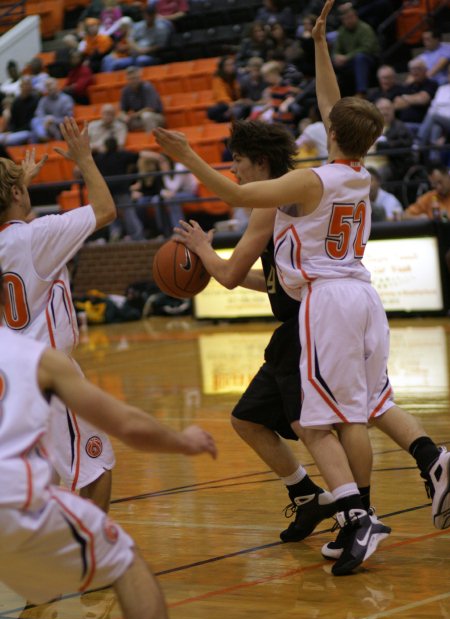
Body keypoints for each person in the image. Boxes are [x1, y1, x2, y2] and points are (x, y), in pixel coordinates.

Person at [154, 0, 450, 573]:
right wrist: (319, 46)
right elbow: (334, 105)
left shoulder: (311, 180)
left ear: (332, 133)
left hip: (327, 301)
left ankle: (358, 516)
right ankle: (416, 471)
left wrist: (189, 156)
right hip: (362, 294)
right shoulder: (360, 175)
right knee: (362, 408)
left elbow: (238, 197)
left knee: (319, 422)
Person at [0, 264, 217, 619]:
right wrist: (183, 441)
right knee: (126, 562)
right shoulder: (38, 358)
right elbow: (130, 425)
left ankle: (41, 603)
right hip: (15, 499)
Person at [172, 119, 336, 543]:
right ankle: (307, 496)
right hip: (297, 328)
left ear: (260, 163)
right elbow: (255, 278)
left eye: (238, 161)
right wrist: (214, 264)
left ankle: (356, 507)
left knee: (316, 427)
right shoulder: (285, 192)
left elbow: (228, 276)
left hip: (309, 327)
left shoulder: (273, 199)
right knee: (247, 419)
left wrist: (204, 252)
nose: (233, 170)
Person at [0, 118, 118, 512]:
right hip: (49, 374)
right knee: (97, 465)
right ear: (16, 192)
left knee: (36, 484)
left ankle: (37, 564)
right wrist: (84, 158)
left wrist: (18, 189)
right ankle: (93, 559)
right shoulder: (37, 236)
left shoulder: (21, 239)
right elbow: (104, 210)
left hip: (10, 380)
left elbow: (18, 238)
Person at [332, 3, 380, 96]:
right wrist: (337, 57)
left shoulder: (365, 28)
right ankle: (332, 93)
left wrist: (347, 57)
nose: (348, 20)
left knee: (360, 58)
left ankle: (361, 92)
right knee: (330, 61)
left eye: (350, 17)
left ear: (356, 16)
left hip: (369, 59)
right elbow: (336, 49)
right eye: (345, 19)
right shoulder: (342, 31)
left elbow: (366, 48)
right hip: (349, 60)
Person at [119, 65, 165, 132]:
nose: (133, 81)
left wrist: (135, 115)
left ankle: (151, 140)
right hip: (138, 119)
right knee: (120, 120)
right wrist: (124, 116)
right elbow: (123, 110)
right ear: (127, 79)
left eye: (135, 78)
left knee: (146, 116)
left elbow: (150, 108)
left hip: (155, 117)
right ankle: (131, 142)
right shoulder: (126, 90)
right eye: (130, 79)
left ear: (140, 77)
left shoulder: (147, 87)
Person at [30, 78, 74, 143]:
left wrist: (52, 120)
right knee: (34, 121)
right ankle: (42, 137)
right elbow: (38, 113)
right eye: (46, 86)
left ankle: (42, 138)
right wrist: (46, 120)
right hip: (45, 126)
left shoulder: (66, 99)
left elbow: (68, 119)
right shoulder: (44, 100)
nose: (49, 87)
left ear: (57, 85)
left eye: (50, 84)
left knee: (38, 128)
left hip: (60, 128)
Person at [0, 76, 40, 146]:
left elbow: (32, 123)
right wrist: (10, 131)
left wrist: (13, 132)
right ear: (20, 86)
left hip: (28, 131)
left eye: (28, 84)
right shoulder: (17, 102)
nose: (26, 87)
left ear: (31, 86)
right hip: (16, 132)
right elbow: (13, 121)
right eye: (24, 85)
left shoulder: (36, 100)